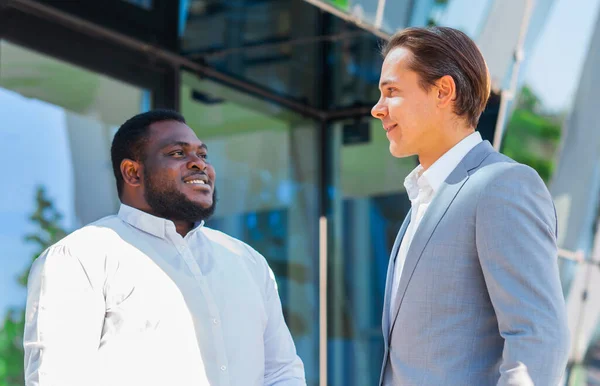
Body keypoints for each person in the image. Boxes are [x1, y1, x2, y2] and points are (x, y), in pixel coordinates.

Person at [23, 109, 306, 386]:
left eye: (203, 155)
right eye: (178, 153)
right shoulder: (81, 257)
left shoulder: (247, 262)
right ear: (132, 172)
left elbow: (281, 373)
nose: (199, 164)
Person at [371, 27, 570, 385]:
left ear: (443, 91)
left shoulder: (502, 186)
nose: (377, 109)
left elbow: (538, 338)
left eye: (392, 91)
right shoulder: (424, 198)